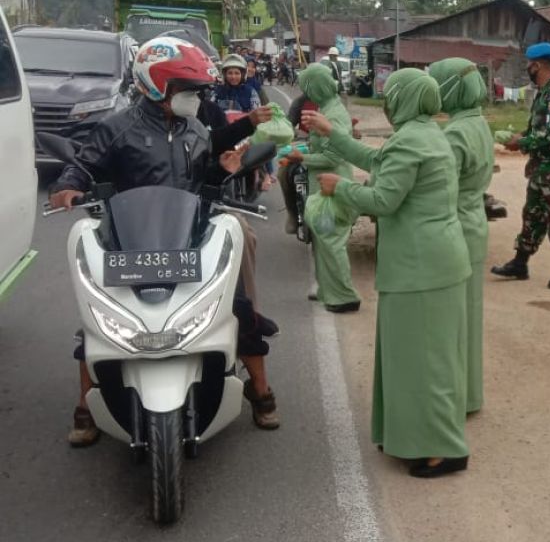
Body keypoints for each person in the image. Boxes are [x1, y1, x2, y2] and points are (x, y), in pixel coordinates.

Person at [49, 36, 281, 445]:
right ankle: (85, 406)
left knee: (236, 307)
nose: (195, 98)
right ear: (157, 87)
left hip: (187, 236)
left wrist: (221, 170)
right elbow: (83, 164)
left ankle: (259, 390)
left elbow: (202, 181)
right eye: (187, 90)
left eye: (196, 91)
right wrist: (69, 186)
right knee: (98, 321)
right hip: (129, 240)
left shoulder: (195, 129)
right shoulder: (118, 127)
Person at [304, 69, 472, 478]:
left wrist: (338, 188)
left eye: (391, 95)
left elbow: (382, 199)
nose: (388, 102)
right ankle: (409, 434)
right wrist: (334, 134)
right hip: (434, 261)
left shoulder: (412, 139)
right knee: (416, 357)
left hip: (421, 267)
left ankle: (443, 449)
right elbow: (379, 159)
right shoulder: (427, 132)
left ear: (404, 98)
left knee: (426, 361)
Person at [429, 58, 494, 414]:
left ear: (452, 88)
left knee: (451, 323)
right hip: (475, 223)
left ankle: (455, 398)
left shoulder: (454, 133)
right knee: (470, 318)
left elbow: (437, 188)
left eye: (438, 83)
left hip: (455, 225)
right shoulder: (478, 122)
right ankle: (470, 394)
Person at [492, 43, 550, 289]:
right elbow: (538, 129)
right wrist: (521, 135)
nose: (527, 69)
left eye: (529, 65)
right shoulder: (543, 92)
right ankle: (520, 263)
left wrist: (520, 143)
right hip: (543, 168)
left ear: (538, 65)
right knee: (532, 215)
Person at [281, 63, 360, 314]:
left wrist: (300, 158)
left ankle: (345, 296)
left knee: (332, 241)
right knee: (325, 241)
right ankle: (330, 291)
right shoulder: (328, 107)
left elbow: (332, 157)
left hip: (332, 187)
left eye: (307, 86)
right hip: (324, 185)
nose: (306, 92)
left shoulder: (334, 114)